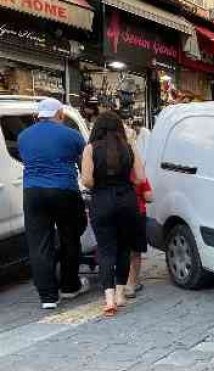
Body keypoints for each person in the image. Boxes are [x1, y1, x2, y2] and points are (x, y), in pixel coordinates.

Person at [18, 98, 89, 309]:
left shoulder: (23, 136)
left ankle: (48, 297)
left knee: (39, 243)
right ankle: (69, 286)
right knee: (71, 235)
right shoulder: (71, 135)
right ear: (59, 115)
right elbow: (84, 162)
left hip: (32, 192)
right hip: (64, 190)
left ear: (38, 116)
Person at [80, 111, 145, 317]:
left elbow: (87, 181)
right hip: (127, 200)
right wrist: (133, 145)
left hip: (102, 201)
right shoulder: (127, 147)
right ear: (119, 128)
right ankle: (120, 294)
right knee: (124, 248)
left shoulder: (90, 149)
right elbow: (140, 178)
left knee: (106, 250)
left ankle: (108, 300)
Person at [125, 171, 152, 298]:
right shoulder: (137, 173)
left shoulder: (110, 172)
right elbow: (148, 197)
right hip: (137, 212)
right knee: (135, 251)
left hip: (116, 212)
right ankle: (132, 283)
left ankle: (121, 283)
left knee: (122, 250)